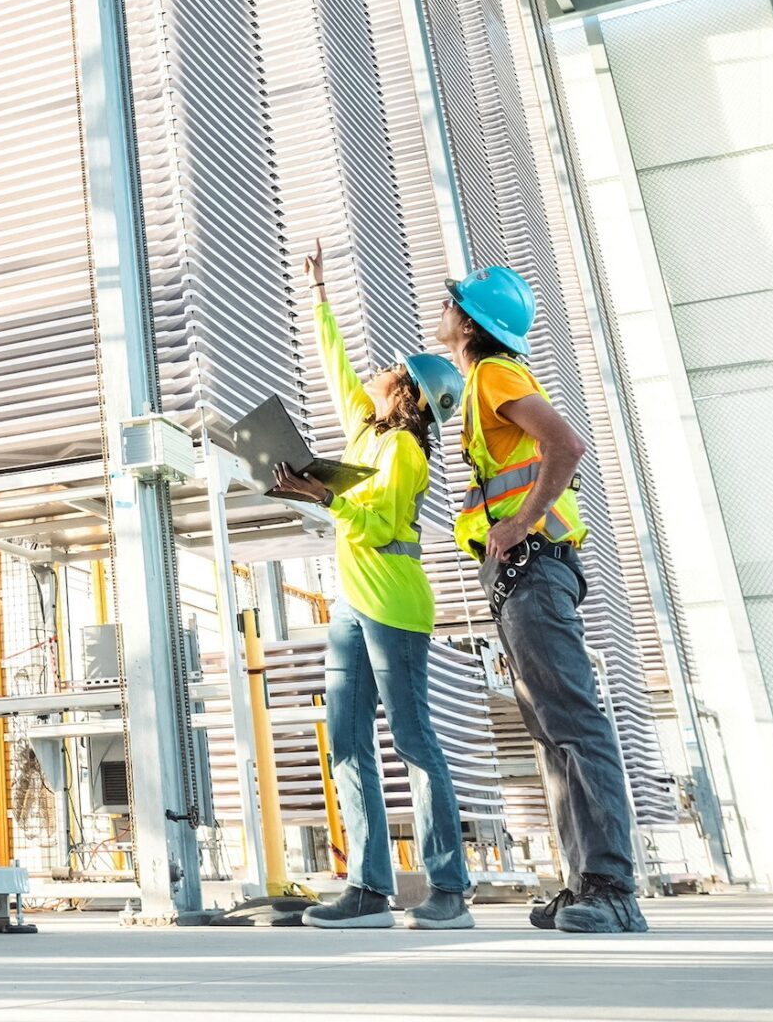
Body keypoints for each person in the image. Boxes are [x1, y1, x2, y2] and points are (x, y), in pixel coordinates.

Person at [271, 245, 476, 931]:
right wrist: (318, 293)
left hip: (393, 600)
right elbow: (334, 370)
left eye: (396, 372)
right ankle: (367, 888)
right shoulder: (366, 431)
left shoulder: (404, 452)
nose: (383, 372)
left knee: (413, 739)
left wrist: (321, 497)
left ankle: (449, 889)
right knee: (348, 741)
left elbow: (380, 517)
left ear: (409, 396)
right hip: (354, 604)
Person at [440, 265, 647, 935]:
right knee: (554, 731)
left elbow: (566, 444)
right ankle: (584, 880)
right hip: (521, 576)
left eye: (453, 305)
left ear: (469, 324)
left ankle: (613, 888)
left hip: (535, 567)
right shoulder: (480, 385)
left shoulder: (494, 375)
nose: (444, 311)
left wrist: (522, 522)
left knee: (575, 725)